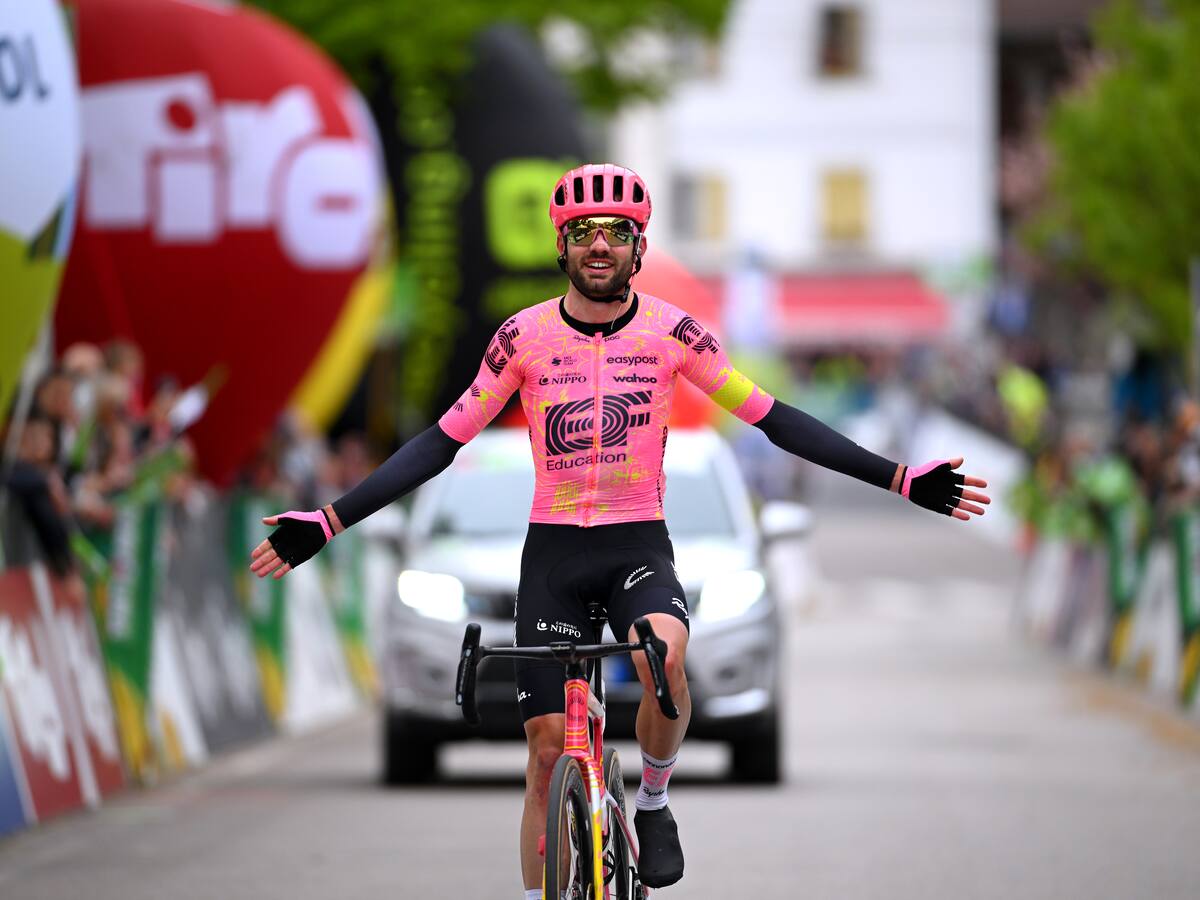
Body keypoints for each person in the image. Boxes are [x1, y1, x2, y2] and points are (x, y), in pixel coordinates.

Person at [249, 163, 990, 896]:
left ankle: (654, 801)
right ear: (561, 246)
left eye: (616, 231)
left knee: (665, 658)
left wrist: (901, 479)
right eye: (582, 232)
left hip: (636, 544)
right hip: (554, 554)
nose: (598, 244)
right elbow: (441, 443)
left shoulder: (675, 333)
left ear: (639, 247)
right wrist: (329, 520)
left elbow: (776, 420)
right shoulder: (523, 338)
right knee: (546, 755)